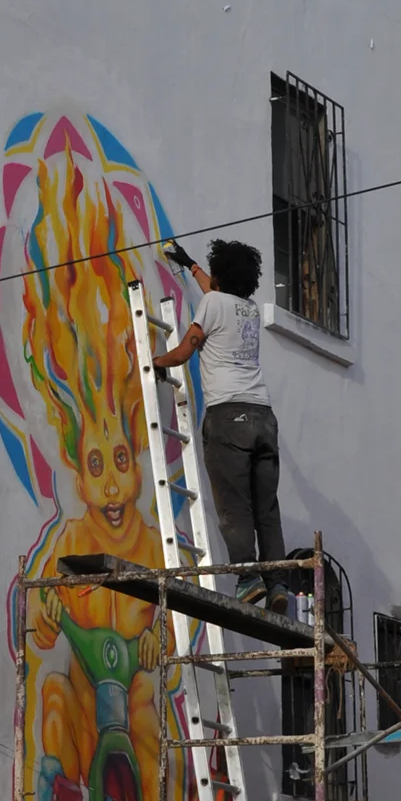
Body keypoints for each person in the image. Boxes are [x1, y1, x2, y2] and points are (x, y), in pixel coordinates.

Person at [151, 237, 288, 611]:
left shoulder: (212, 304)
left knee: (234, 505)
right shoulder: (249, 309)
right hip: (263, 417)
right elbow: (216, 293)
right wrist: (190, 264)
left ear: (223, 272)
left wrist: (154, 364)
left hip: (228, 416)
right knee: (266, 509)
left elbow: (183, 351)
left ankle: (247, 578)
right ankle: (278, 584)